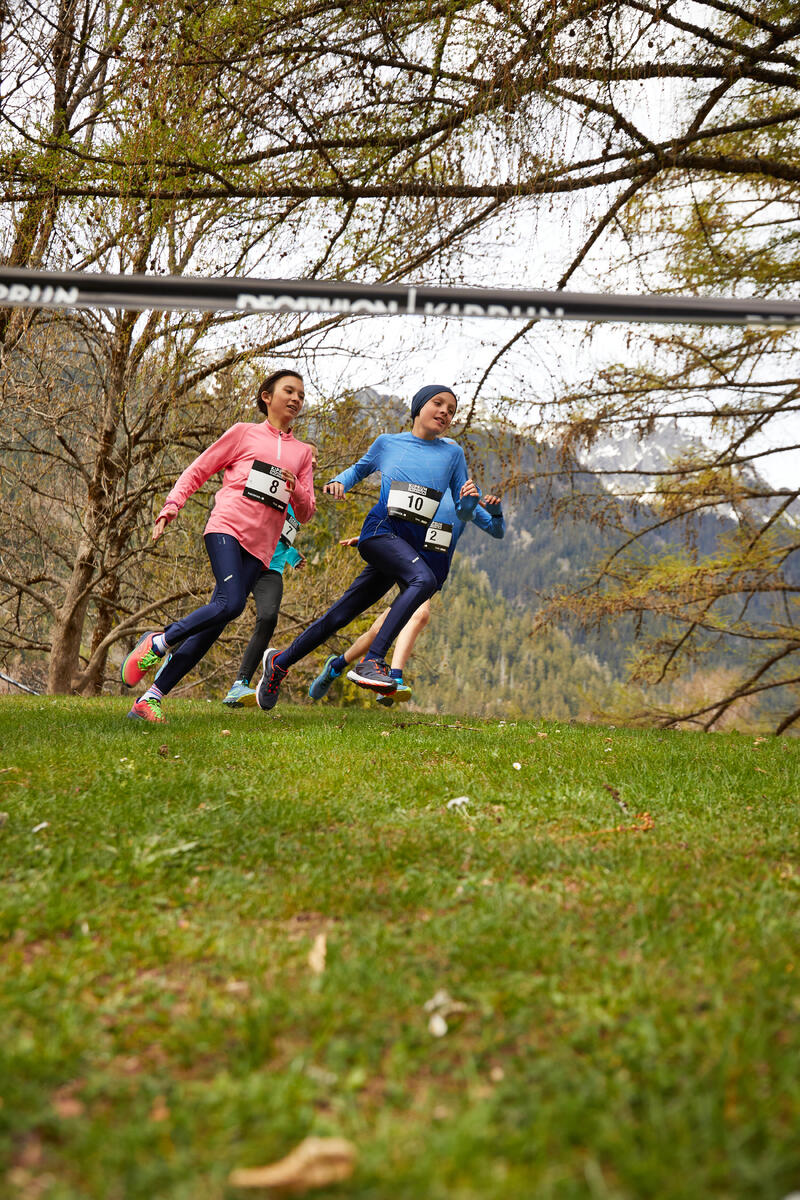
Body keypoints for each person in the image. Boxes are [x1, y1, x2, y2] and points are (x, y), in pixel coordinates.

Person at [254, 383, 482, 711]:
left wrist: (467, 502)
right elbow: (361, 469)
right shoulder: (388, 443)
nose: (445, 411)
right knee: (424, 581)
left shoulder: (453, 454)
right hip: (380, 532)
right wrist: (339, 482)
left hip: (408, 546)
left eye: (451, 409)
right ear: (419, 407)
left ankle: (279, 663)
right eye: (438, 403)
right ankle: (372, 661)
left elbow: (462, 504)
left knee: (340, 615)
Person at [120, 370, 315, 722]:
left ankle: (149, 698)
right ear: (266, 396)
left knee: (217, 620)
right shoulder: (244, 433)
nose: (296, 398)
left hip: (261, 548)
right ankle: (158, 642)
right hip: (226, 527)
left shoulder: (302, 454)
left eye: (301, 394)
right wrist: (171, 506)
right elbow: (199, 469)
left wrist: (297, 488)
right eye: (289, 390)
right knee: (232, 603)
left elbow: (307, 511)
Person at [309, 486, 505, 706]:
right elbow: (396, 522)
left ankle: (335, 667)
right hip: (408, 566)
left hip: (430, 574)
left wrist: (496, 512)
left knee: (378, 631)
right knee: (421, 614)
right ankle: (394, 678)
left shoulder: (466, 503)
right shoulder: (427, 491)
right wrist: (368, 537)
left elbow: (497, 530)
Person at [222, 444, 318, 708]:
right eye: (309, 459)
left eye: (314, 461)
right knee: (218, 614)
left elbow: (282, 534)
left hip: (270, 569)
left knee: (268, 618)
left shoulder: (303, 500)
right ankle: (174, 657)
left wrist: (291, 556)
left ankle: (240, 685)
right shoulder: (274, 482)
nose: (312, 464)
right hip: (246, 559)